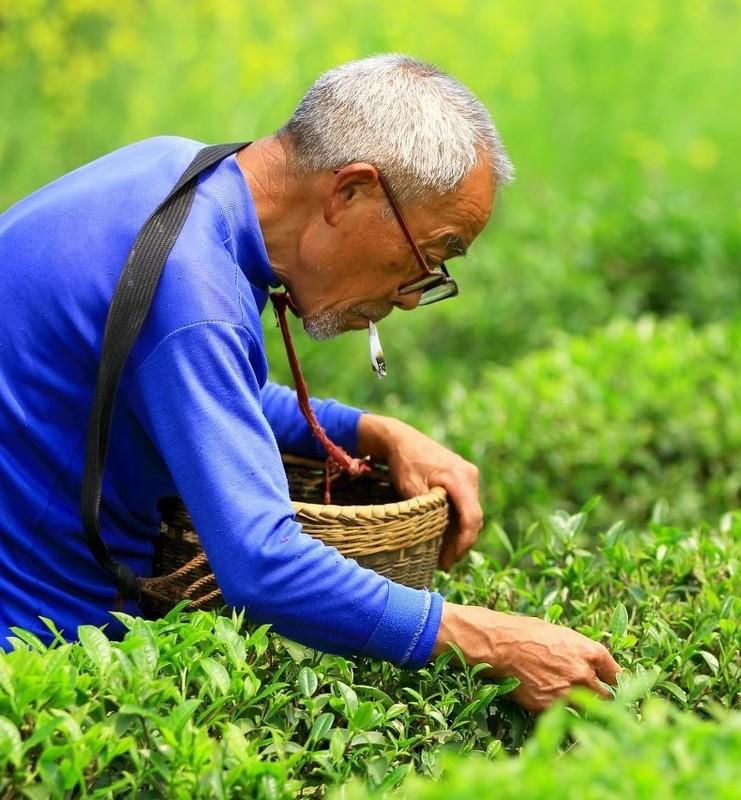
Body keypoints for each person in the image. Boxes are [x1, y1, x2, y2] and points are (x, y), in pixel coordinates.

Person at [0, 54, 619, 713]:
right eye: (428, 257)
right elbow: (261, 566)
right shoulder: (192, 292)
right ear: (349, 191)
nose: (410, 299)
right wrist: (488, 639)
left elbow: (190, 388)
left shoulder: (174, 172)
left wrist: (368, 431)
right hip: (40, 667)